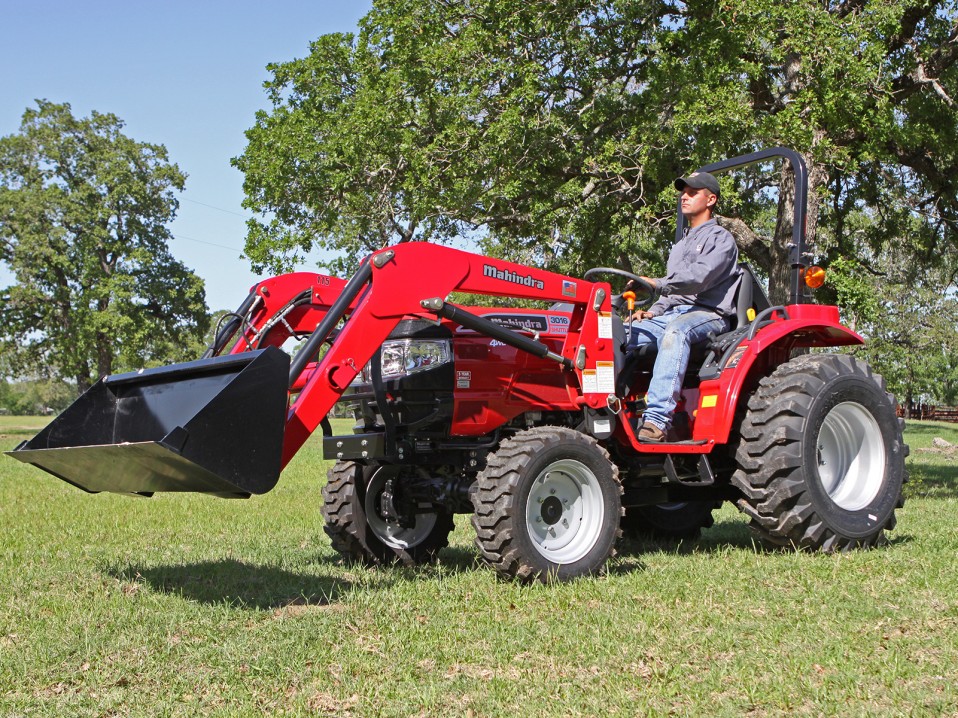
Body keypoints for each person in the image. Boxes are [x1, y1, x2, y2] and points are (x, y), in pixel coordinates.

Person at [627, 171, 742, 442]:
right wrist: (654, 311)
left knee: (676, 332)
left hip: (709, 313)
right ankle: (608, 407)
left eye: (692, 192)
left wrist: (656, 283)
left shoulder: (721, 239)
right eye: (683, 192)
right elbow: (673, 292)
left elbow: (698, 279)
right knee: (618, 332)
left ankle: (656, 420)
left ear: (711, 199)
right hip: (673, 314)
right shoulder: (679, 246)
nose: (684, 197)